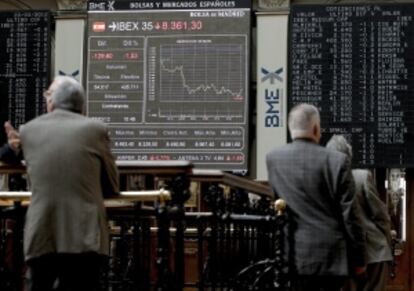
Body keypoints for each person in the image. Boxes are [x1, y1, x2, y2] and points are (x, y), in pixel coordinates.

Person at [11, 76, 119, 291]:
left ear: (51, 103)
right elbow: (112, 186)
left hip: (42, 232)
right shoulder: (96, 130)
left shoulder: (28, 130)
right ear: (82, 105)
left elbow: (9, 153)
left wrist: (12, 147)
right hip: (85, 235)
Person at [265, 103, 366, 291]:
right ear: (315, 128)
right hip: (331, 258)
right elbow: (350, 215)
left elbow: (278, 202)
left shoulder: (273, 159)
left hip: (293, 253)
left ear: (290, 127)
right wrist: (359, 258)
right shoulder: (337, 160)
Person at [327, 134, 392, 291]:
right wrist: (388, 242)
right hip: (374, 252)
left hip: (343, 258)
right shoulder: (362, 177)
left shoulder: (323, 182)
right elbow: (381, 216)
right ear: (349, 156)